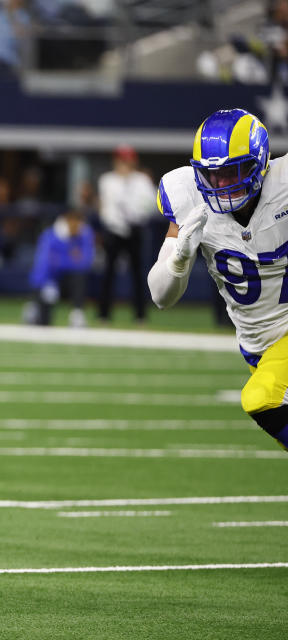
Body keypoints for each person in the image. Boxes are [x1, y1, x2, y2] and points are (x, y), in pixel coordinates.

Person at [148, 107, 288, 453]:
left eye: (232, 172)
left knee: (261, 398)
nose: (221, 184)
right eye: (211, 175)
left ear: (260, 164)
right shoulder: (188, 198)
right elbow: (160, 297)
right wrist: (179, 258)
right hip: (260, 347)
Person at [96, 144, 157, 323]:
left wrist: (135, 215)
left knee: (138, 274)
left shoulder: (142, 181)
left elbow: (150, 206)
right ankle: (104, 314)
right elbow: (105, 207)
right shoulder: (107, 180)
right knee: (108, 274)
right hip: (114, 230)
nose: (124, 164)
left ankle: (140, 314)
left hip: (135, 230)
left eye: (127, 160)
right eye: (121, 160)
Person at [23, 208, 94, 327]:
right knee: (44, 323)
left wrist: (59, 259)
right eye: (74, 222)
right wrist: (71, 258)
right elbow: (44, 265)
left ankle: (77, 315)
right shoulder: (49, 235)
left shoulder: (85, 233)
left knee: (79, 277)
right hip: (50, 280)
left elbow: (86, 262)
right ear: (67, 220)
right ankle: (34, 306)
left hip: (69, 281)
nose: (78, 226)